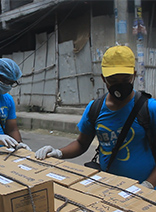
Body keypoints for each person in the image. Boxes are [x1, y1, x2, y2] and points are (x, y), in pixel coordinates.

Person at [35, 45, 156, 189]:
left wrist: (148, 185)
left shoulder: (149, 108)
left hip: (145, 193)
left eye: (125, 79)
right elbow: (81, 144)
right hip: (107, 188)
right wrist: (58, 153)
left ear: (134, 75)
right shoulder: (95, 109)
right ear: (103, 79)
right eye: (113, 80)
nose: (119, 86)